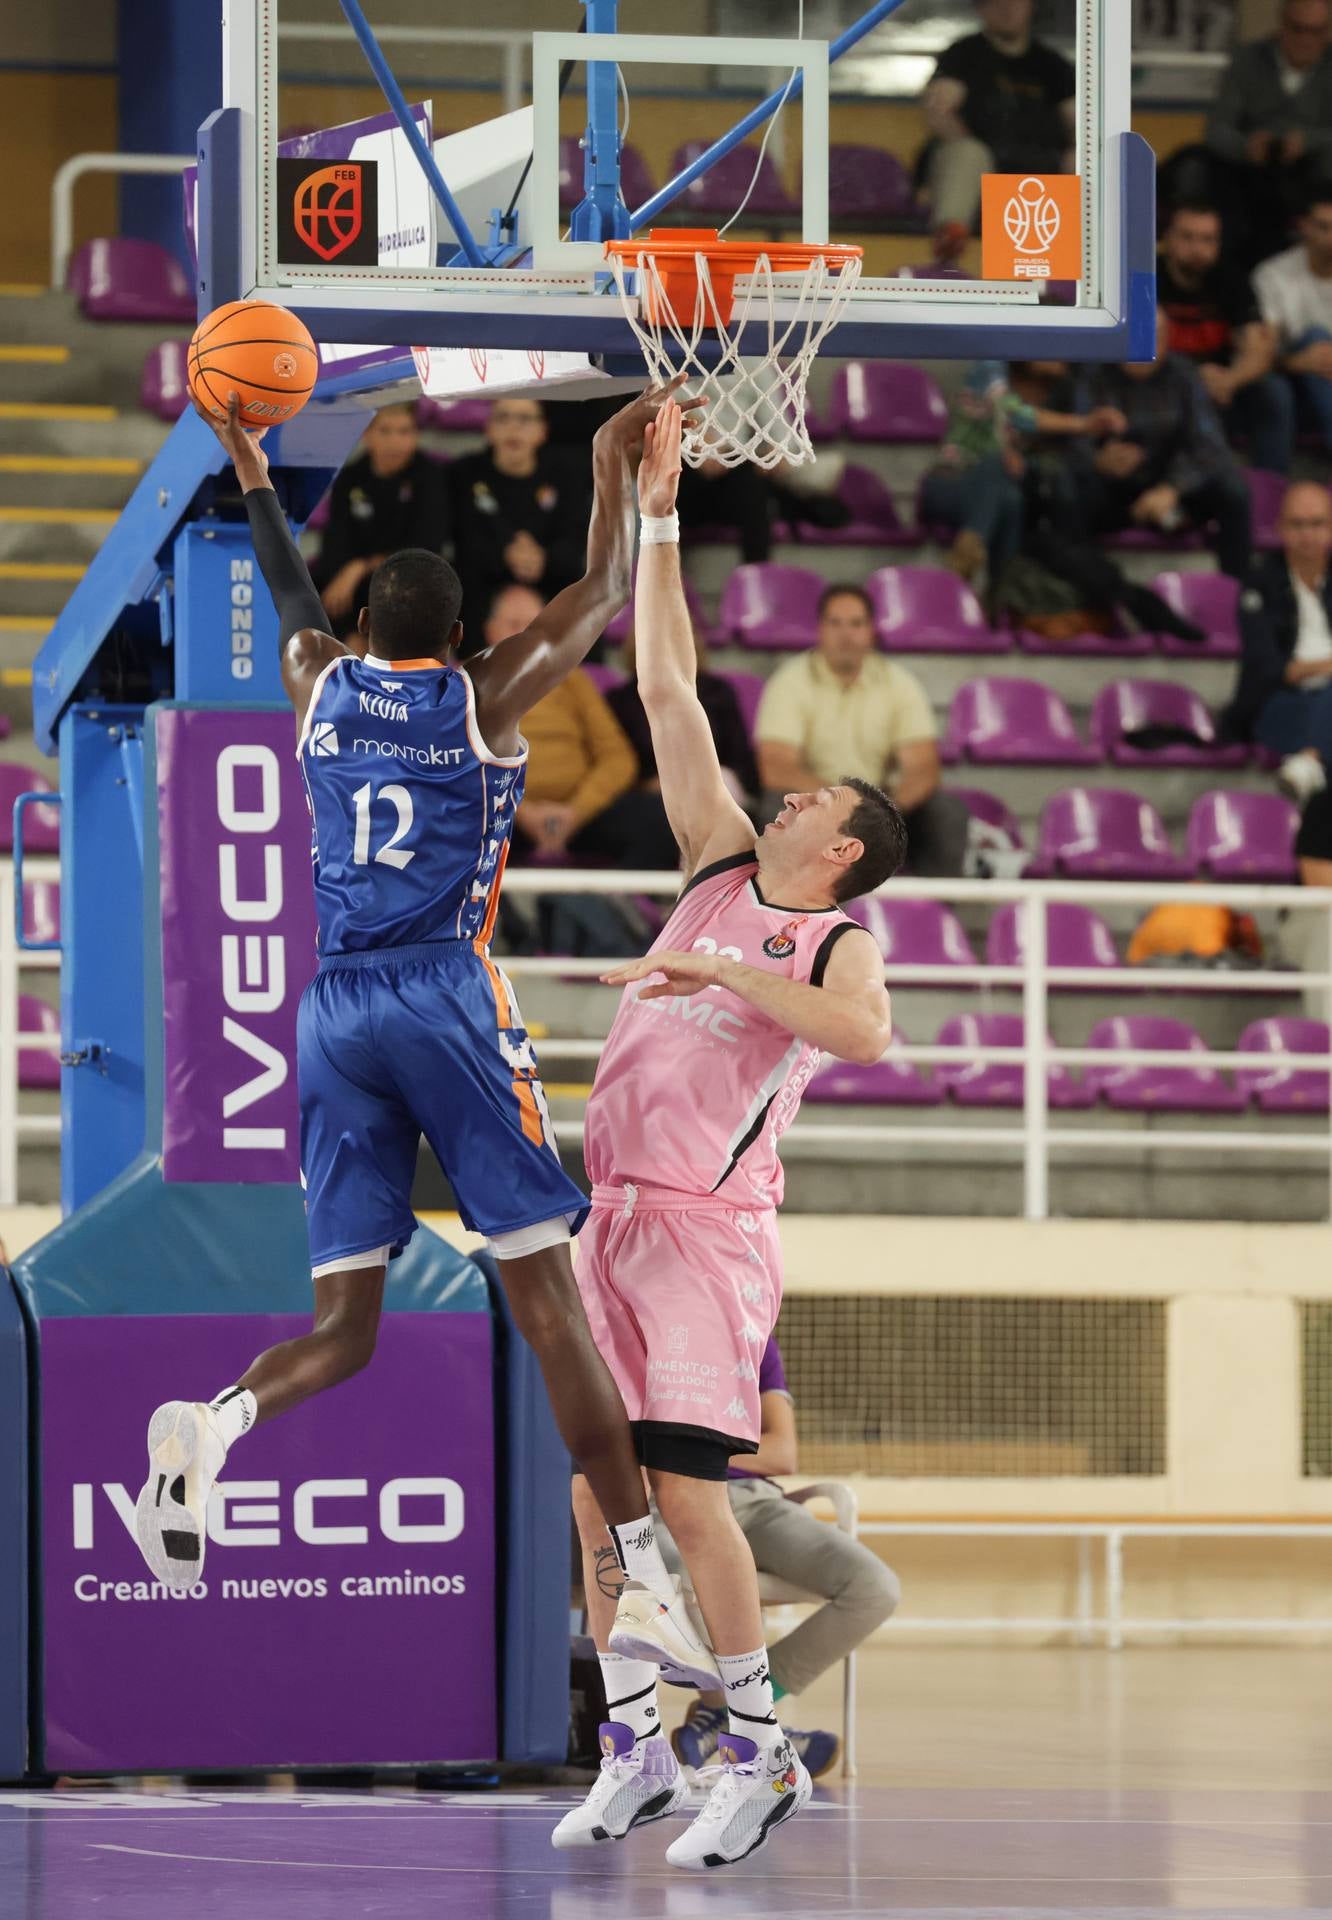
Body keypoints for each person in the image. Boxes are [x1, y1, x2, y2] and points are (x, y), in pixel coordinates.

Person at [133, 384, 709, 1673]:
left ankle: (216, 1427)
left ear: (362, 629)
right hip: (443, 992)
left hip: (330, 1009)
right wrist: (615, 461)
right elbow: (607, 592)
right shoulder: (485, 697)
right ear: (455, 636)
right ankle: (642, 1566)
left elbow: (287, 592)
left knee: (348, 1326)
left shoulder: (313, 682)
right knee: (548, 1304)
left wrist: (253, 468)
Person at [554, 401, 905, 1868]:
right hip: (612, 1219)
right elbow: (668, 682)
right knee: (595, 1488)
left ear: (841, 849)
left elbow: (863, 1042)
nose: (788, 786)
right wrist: (659, 511)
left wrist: (714, 971)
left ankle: (756, 1756)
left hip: (707, 1235)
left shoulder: (837, 942)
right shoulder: (712, 861)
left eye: (816, 794)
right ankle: (637, 1744)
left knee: (690, 1490)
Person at [659, 1333, 900, 1781]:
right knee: (675, 1572)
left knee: (875, 1588)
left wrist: (690, 1448)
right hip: (672, 1499)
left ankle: (741, 1714)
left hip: (755, 1501)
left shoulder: (753, 1341)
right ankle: (753, 1725)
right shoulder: (649, 1332)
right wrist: (732, 1448)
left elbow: (783, 1453)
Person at [753, 586, 968, 877]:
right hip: (815, 807)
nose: (846, 634)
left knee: (947, 812)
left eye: (856, 624)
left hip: (883, 810)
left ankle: (937, 918)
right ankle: (780, 914)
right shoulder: (789, 683)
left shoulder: (899, 684)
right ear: (820, 629)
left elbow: (923, 767)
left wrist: (885, 809)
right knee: (771, 808)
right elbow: (777, 769)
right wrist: (839, 805)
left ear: (871, 631)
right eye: (835, 623)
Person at [479, 584, 682, 870]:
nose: (526, 634)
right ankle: (500, 915)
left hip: (580, 814)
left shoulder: (572, 681)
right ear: (491, 630)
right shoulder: (468, 686)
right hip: (500, 812)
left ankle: (614, 909)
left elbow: (617, 757)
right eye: (514, 624)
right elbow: (461, 763)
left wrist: (576, 812)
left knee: (663, 817)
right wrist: (521, 812)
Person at [1055, 309, 1253, 579]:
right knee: (1068, 488)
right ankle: (1087, 587)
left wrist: (1172, 488)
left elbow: (1209, 445)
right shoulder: (1094, 374)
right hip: (1113, 489)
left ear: (1166, 340)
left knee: (1233, 490)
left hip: (1170, 486)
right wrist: (1098, 461)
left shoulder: (1183, 374)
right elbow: (1076, 440)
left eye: (1152, 338)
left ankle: (1237, 590)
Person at [920, 360, 1125, 585]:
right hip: (948, 484)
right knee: (995, 463)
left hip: (994, 498)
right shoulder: (989, 369)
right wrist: (1084, 424)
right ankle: (970, 560)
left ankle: (998, 590)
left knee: (1012, 499)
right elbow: (1015, 413)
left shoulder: (1051, 397)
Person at [921, 0, 1076, 263]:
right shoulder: (963, 55)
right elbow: (939, 111)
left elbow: (1082, 123)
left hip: (1038, 172)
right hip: (980, 168)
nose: (1007, 8)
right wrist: (972, 147)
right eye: (997, 2)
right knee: (968, 153)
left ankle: (1072, 270)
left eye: (1017, 1)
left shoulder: (1052, 65)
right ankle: (951, 239)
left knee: (1081, 161)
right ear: (981, 8)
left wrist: (1075, 153)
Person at [1157, 203, 1290, 473]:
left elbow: (1259, 349)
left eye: (1208, 239)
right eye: (1187, 237)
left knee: (1273, 390)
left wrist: (1230, 380)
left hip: (1222, 385)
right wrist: (1194, 379)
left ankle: (1270, 486)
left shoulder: (1232, 279)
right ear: (1167, 238)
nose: (1198, 249)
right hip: (1164, 382)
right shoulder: (1147, 277)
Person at [1222, 481, 1332, 806]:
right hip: (1278, 705)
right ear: (1280, 529)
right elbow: (1268, 668)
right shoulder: (1259, 583)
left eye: (1317, 524)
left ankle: (1311, 761)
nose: (1307, 534)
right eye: (1297, 524)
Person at [1204, 0, 1332, 265]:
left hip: (1317, 176)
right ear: (1282, 26)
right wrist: (1246, 146)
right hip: (1251, 172)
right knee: (1199, 164)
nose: (1306, 39)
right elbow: (1216, 130)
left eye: (1316, 31)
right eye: (1298, 29)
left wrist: (1307, 142)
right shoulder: (1247, 60)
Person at [447, 395, 590, 629]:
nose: (513, 427)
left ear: (542, 430)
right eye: (503, 418)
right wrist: (505, 555)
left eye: (524, 419)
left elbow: (575, 542)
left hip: (550, 583)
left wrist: (544, 558)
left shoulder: (567, 476)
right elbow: (461, 543)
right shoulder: (463, 474)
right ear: (489, 428)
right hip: (482, 588)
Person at [310, 403, 448, 634]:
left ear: (416, 435)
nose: (395, 441)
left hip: (406, 582)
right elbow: (335, 542)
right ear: (367, 434)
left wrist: (361, 566)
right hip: (354, 588)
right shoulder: (350, 478)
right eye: (385, 430)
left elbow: (427, 546)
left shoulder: (431, 478)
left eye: (404, 431)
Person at [607, 624, 760, 805]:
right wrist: (649, 784)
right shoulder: (620, 700)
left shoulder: (717, 691)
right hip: (651, 795)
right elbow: (617, 760)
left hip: (717, 788)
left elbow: (740, 757)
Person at [1254, 191, 1332, 460]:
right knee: (1316, 337)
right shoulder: (1274, 275)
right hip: (1289, 379)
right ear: (1304, 227)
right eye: (1323, 227)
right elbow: (1262, 355)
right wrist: (1298, 361)